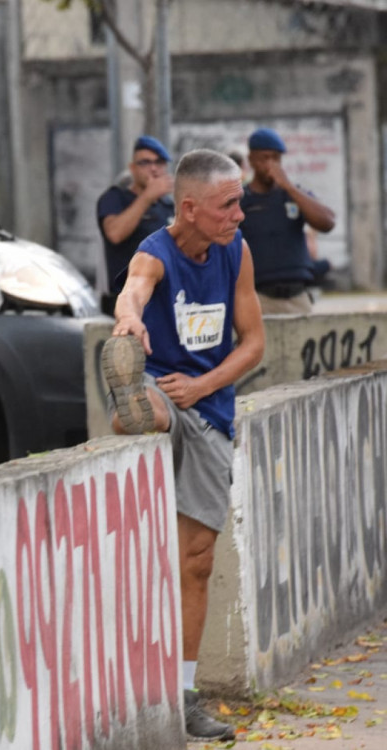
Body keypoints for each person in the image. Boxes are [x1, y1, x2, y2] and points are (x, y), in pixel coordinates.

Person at [101, 148, 265, 742]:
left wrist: (205, 384)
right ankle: (131, 404)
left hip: (209, 406)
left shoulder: (236, 253)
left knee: (195, 563)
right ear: (190, 209)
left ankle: (185, 696)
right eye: (228, 205)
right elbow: (135, 290)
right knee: (150, 402)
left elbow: (253, 345)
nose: (239, 215)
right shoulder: (155, 251)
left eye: (239, 202)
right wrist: (129, 322)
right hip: (165, 389)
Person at [239, 127, 336, 314]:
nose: (271, 164)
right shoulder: (242, 199)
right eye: (264, 158)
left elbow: (327, 223)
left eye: (276, 158)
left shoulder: (294, 194)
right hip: (258, 297)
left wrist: (288, 187)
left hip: (297, 296)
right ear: (251, 159)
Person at [96, 135, 175, 314]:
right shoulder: (116, 198)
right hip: (126, 299)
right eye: (145, 163)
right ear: (132, 168)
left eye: (159, 162)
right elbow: (115, 233)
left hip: (162, 298)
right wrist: (147, 197)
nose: (153, 168)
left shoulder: (167, 206)